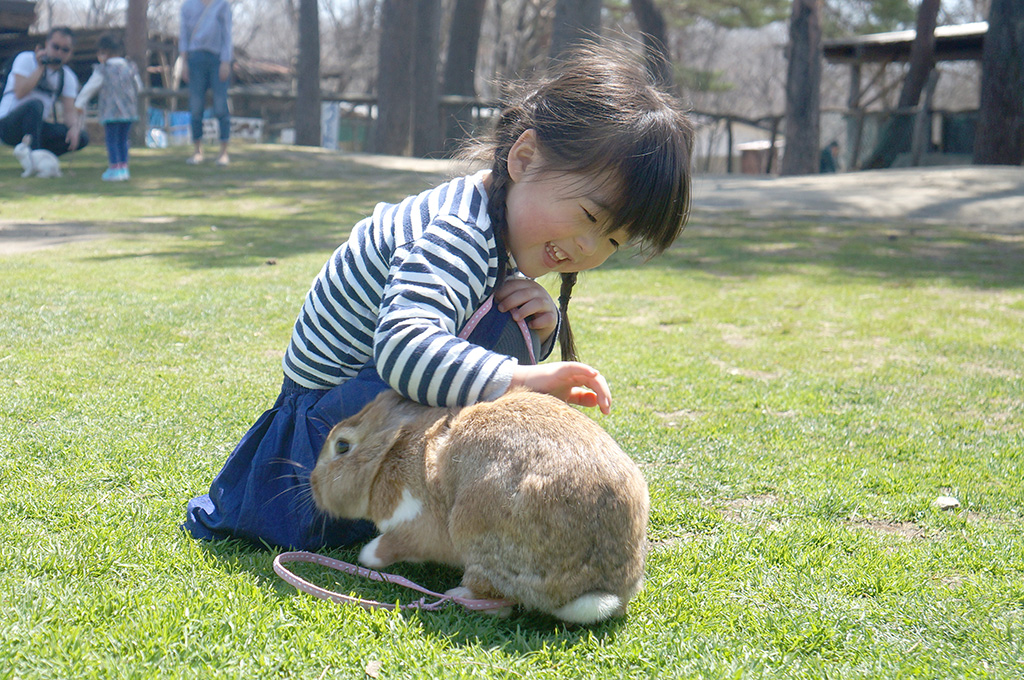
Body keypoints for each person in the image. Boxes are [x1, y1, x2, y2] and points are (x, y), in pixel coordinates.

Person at [183, 43, 694, 550]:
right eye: (588, 217)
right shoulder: (460, 231)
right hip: (325, 442)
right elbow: (406, 349)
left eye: (612, 242)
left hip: (362, 416)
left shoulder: (494, 223)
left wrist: (535, 334)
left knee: (500, 335)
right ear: (524, 157)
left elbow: (454, 347)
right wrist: (523, 376)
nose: (587, 247)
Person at [0, 27, 89, 157]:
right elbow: (20, 92)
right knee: (35, 105)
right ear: (46, 45)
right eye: (55, 47)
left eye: (65, 50)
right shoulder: (26, 59)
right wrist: (40, 67)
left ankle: (43, 158)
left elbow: (69, 111)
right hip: (9, 124)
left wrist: (74, 128)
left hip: (36, 128)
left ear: (70, 53)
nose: (59, 52)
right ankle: (35, 158)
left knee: (81, 137)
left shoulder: (68, 77)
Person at [74, 34, 143, 182]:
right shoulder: (130, 67)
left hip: (111, 112)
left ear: (104, 51)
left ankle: (115, 168)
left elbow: (90, 87)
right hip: (128, 111)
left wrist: (79, 103)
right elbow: (139, 87)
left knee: (112, 140)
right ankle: (124, 168)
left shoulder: (103, 69)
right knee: (124, 140)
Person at [179, 0, 233, 166]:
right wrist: (184, 62)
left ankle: (223, 152)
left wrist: (226, 61)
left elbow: (227, 35)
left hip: (217, 58)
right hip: (195, 58)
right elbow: (184, 36)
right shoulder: (187, 6)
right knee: (195, 107)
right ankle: (197, 151)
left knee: (220, 105)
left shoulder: (222, 5)